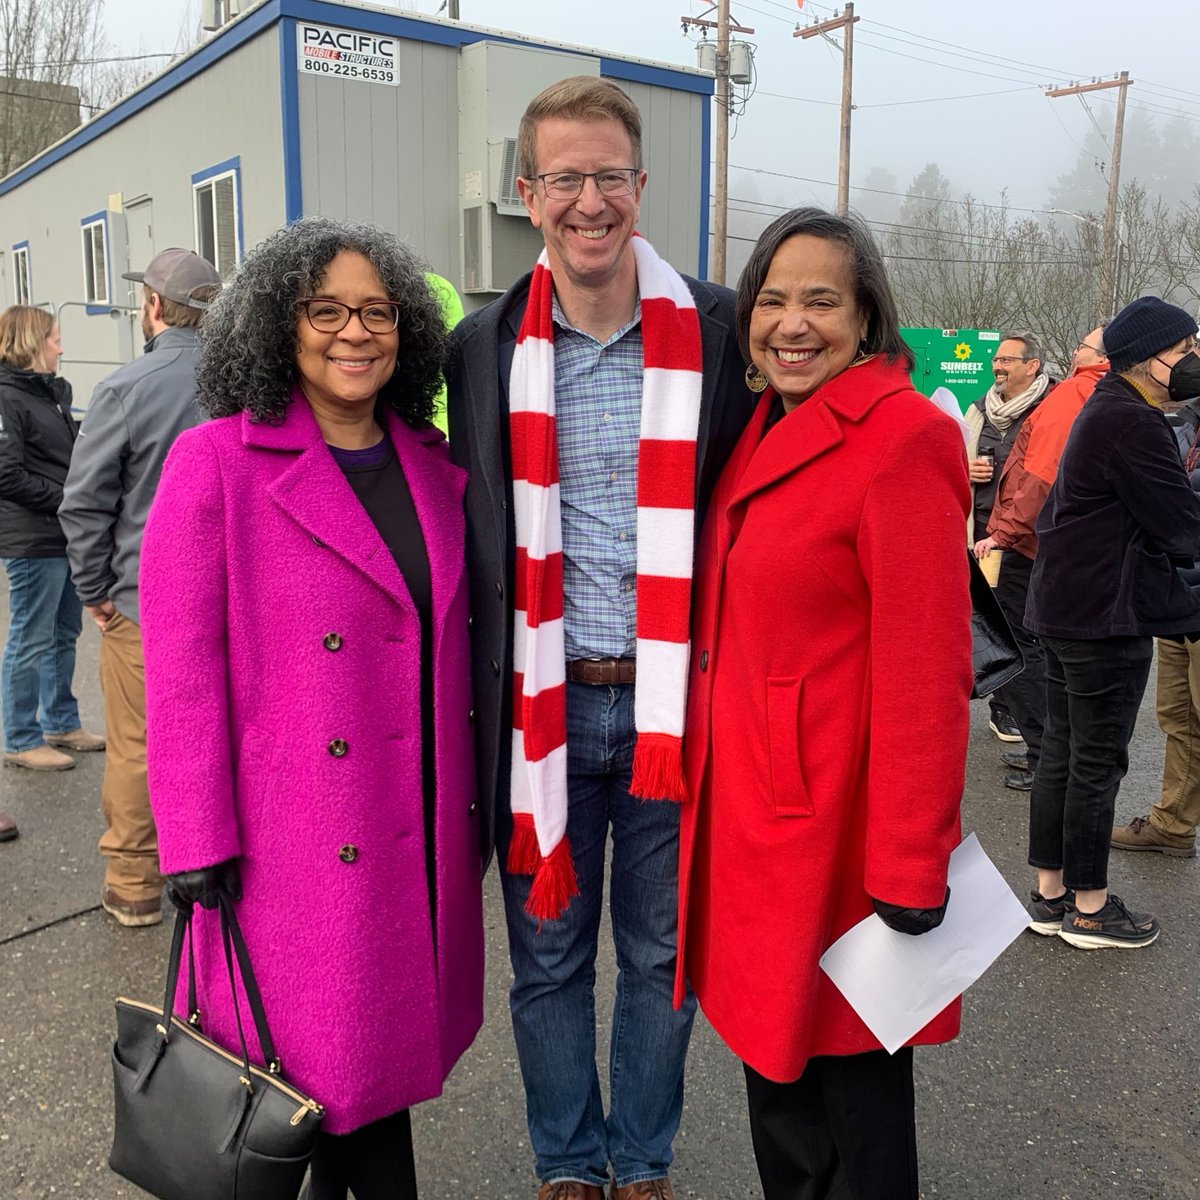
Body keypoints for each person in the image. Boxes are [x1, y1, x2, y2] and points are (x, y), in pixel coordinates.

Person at [446, 76, 753, 1200]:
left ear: (640, 185)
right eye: (564, 178)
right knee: (547, 962)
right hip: (545, 708)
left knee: (663, 957)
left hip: (679, 703)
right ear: (529, 194)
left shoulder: (722, 330)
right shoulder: (478, 349)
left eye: (609, 176)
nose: (589, 200)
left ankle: (644, 1164)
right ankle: (570, 1164)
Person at [139, 218, 484, 1197]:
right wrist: (194, 841)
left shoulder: (430, 465)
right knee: (323, 1090)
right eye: (325, 308)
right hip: (292, 848)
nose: (354, 331)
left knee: (367, 1089)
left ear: (407, 331)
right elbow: (181, 675)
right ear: (278, 326)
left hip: (410, 832)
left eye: (376, 310)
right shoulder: (215, 465)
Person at [674, 207, 973, 1200]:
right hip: (758, 822)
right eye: (771, 299)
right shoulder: (764, 425)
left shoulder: (904, 439)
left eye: (821, 301)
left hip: (843, 842)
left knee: (854, 1102)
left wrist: (909, 860)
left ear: (869, 316)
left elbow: (928, 667)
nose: (792, 324)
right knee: (780, 1088)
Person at [1025, 296, 1200, 949]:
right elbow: (1181, 528)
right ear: (1149, 358)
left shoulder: (1107, 410)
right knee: (1096, 762)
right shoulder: (1133, 422)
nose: (1191, 360)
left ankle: (1050, 895)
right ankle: (1092, 910)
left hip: (1065, 607)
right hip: (1103, 616)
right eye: (1184, 349)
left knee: (1064, 757)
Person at [59, 248, 221, 929]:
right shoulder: (248, 385)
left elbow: (85, 502)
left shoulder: (125, 389)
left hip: (142, 602)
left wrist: (94, 589)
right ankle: (216, 871)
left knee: (139, 744)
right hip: (230, 601)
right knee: (223, 737)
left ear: (154, 307)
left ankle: (134, 883)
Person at [974, 327, 1109, 790]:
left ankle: (1044, 755)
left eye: (1085, 347)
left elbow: (1039, 475)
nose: (1075, 352)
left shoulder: (1072, 393)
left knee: (1009, 647)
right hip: (1045, 542)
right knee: (1037, 649)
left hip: (1025, 542)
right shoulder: (1095, 394)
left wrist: (1002, 533)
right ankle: (1048, 754)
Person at [0, 305, 105, 772]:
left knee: (64, 633)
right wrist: (68, 498)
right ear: (31, 342)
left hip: (61, 535)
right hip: (31, 540)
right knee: (30, 638)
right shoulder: (6, 397)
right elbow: (6, 474)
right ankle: (21, 738)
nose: (60, 348)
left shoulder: (49, 394)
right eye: (54, 339)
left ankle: (60, 721)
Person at [1112, 351, 1200, 860]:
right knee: (1179, 715)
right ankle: (1173, 824)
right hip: (1179, 597)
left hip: (1190, 590)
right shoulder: (1180, 420)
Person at [965, 332, 1052, 749]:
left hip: (1024, 540)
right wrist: (968, 470)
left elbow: (1041, 479)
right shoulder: (980, 409)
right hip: (984, 537)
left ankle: (1034, 727)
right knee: (994, 620)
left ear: (1032, 366)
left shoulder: (1047, 408)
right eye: (996, 360)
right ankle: (1006, 708)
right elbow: (956, 456)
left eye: (1008, 361)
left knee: (1023, 630)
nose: (998, 368)